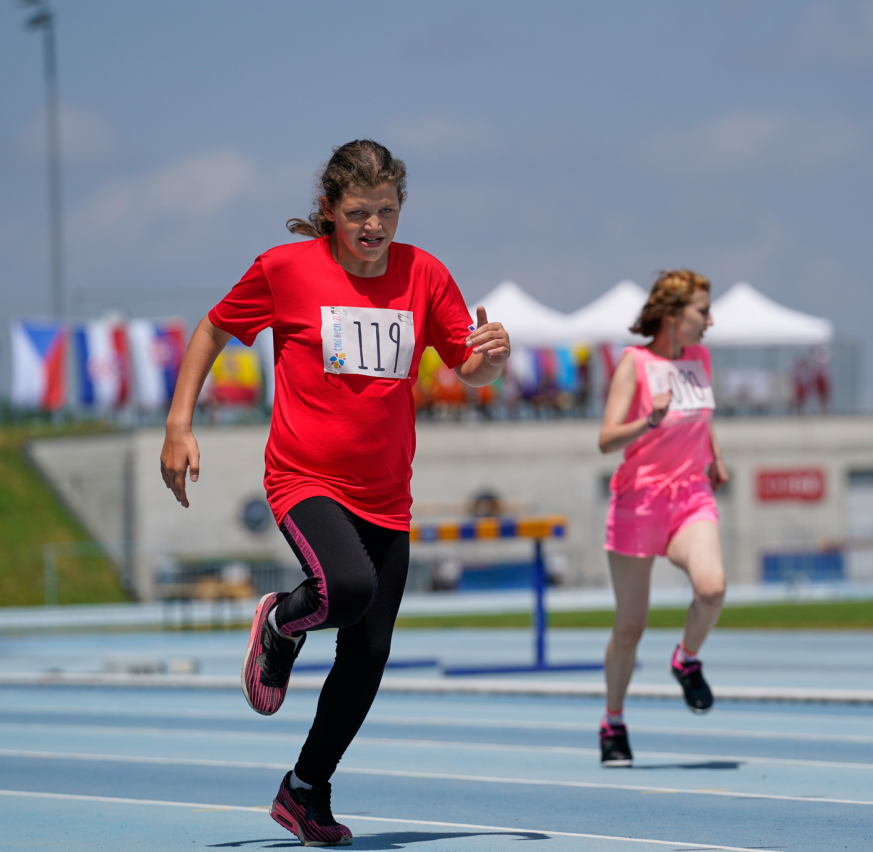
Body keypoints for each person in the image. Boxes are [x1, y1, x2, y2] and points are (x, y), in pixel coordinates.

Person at [159, 140, 510, 846]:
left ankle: (304, 790)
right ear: (329, 210)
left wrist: (489, 360)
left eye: (387, 211)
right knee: (346, 590)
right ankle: (280, 623)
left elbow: (466, 366)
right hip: (305, 479)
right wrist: (178, 423)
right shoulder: (285, 269)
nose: (374, 227)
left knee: (368, 653)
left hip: (388, 494)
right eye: (358, 213)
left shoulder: (423, 274)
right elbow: (213, 330)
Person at [596, 269, 729, 767]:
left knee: (712, 589)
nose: (710, 321)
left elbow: (701, 414)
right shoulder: (635, 363)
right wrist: (648, 420)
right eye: (702, 311)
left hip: (690, 495)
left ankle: (686, 660)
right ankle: (613, 722)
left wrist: (716, 455)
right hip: (640, 502)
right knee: (630, 627)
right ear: (673, 315)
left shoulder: (700, 358)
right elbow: (606, 439)